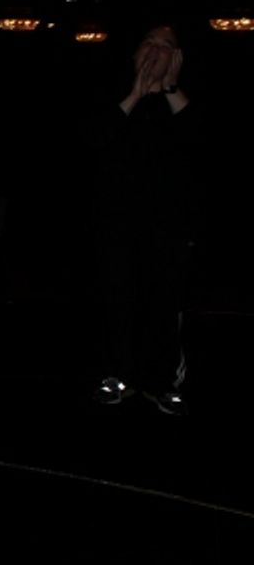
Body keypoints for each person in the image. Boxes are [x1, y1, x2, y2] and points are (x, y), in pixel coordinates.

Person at [89, 23, 198, 416]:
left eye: (165, 45)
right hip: (116, 227)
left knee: (165, 307)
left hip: (170, 230)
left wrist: (169, 88)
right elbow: (93, 143)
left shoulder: (181, 104)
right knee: (117, 301)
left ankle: (163, 381)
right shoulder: (113, 98)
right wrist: (135, 93)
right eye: (147, 43)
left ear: (177, 58)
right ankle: (116, 374)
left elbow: (202, 146)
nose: (155, 51)